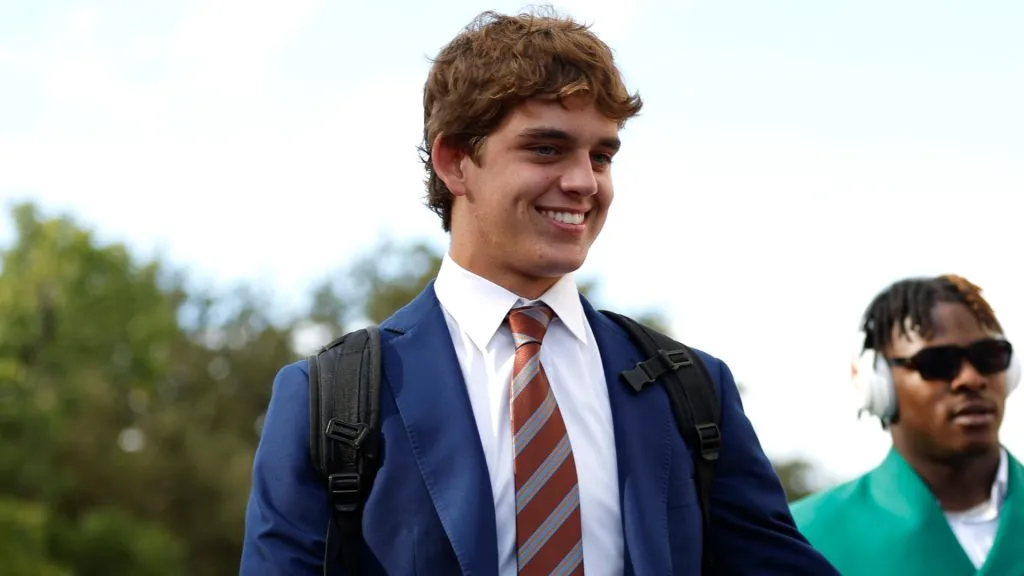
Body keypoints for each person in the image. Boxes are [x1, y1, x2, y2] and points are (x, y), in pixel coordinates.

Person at [241, 9, 837, 575]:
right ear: (454, 161)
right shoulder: (331, 400)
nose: (583, 182)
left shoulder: (693, 391)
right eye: (546, 148)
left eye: (601, 155)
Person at [790, 274, 1024, 576]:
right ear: (877, 385)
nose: (971, 379)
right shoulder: (806, 538)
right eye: (937, 362)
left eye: (989, 357)